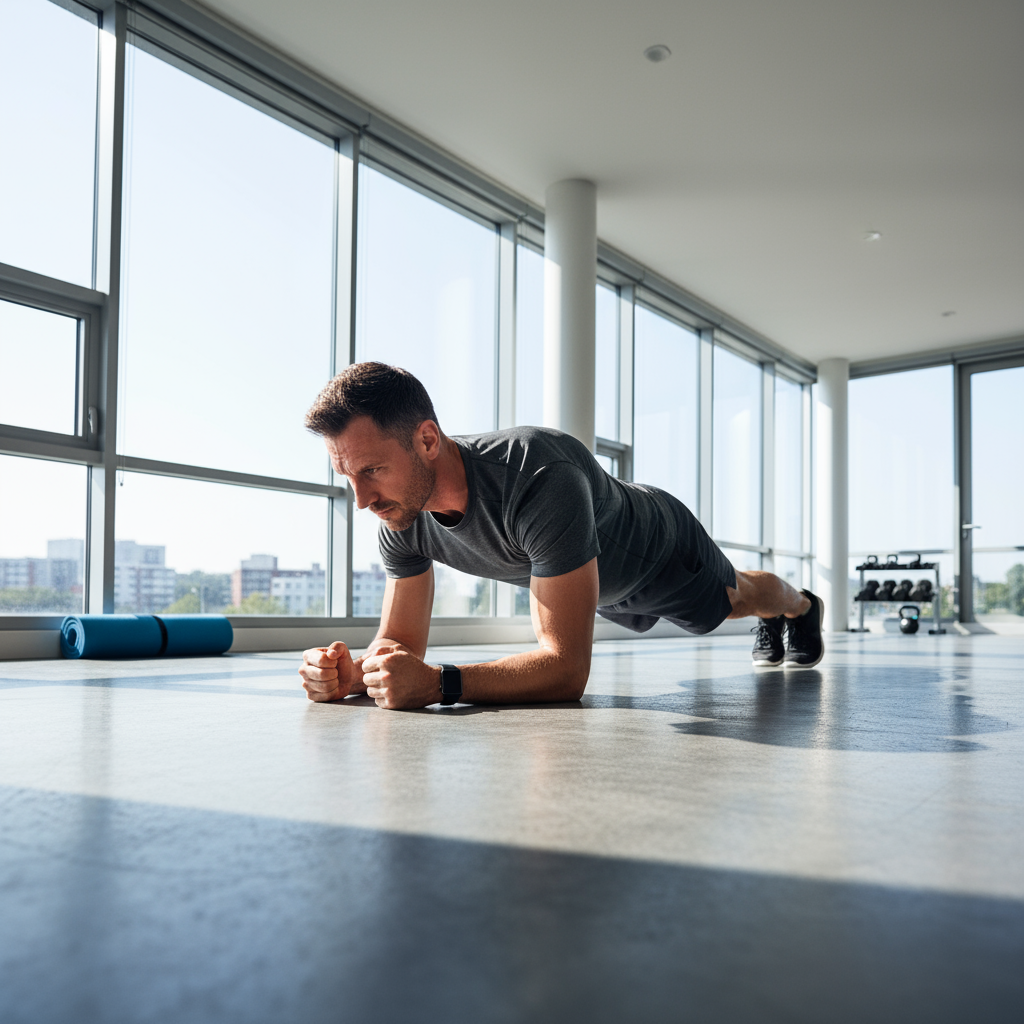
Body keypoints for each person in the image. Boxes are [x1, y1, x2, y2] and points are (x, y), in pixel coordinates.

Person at [298, 362, 824, 710]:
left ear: (428, 439)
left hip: (658, 552)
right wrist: (359, 674)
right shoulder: (401, 515)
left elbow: (566, 671)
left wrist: (439, 683)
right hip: (593, 583)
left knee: (741, 598)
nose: (362, 500)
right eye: (348, 478)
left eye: (372, 471)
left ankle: (799, 607)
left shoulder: (537, 475)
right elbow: (400, 643)